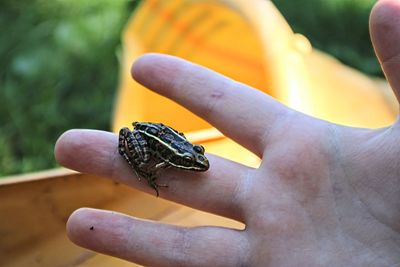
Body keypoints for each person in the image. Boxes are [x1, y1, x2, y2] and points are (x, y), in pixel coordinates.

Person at [55, 0, 400, 266]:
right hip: (148, 138)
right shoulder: (173, 161)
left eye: (195, 161)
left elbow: (183, 158)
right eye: (194, 163)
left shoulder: (185, 160)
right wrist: (150, 175)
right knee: (142, 161)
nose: (199, 165)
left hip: (159, 135)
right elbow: (159, 162)